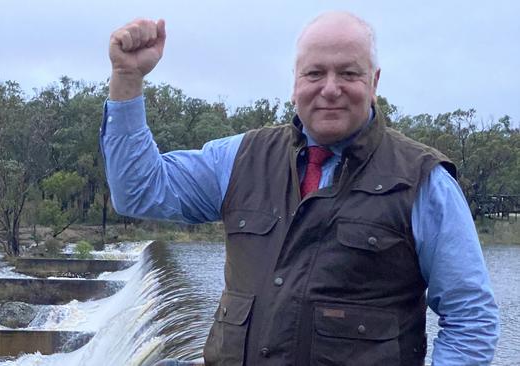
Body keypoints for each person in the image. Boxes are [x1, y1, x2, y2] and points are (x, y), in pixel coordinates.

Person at [102, 12, 499, 365]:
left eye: (348, 73)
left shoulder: (423, 181)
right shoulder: (238, 158)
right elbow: (138, 190)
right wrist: (127, 79)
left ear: (374, 81)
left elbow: (470, 317)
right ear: (294, 83)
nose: (330, 88)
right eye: (315, 73)